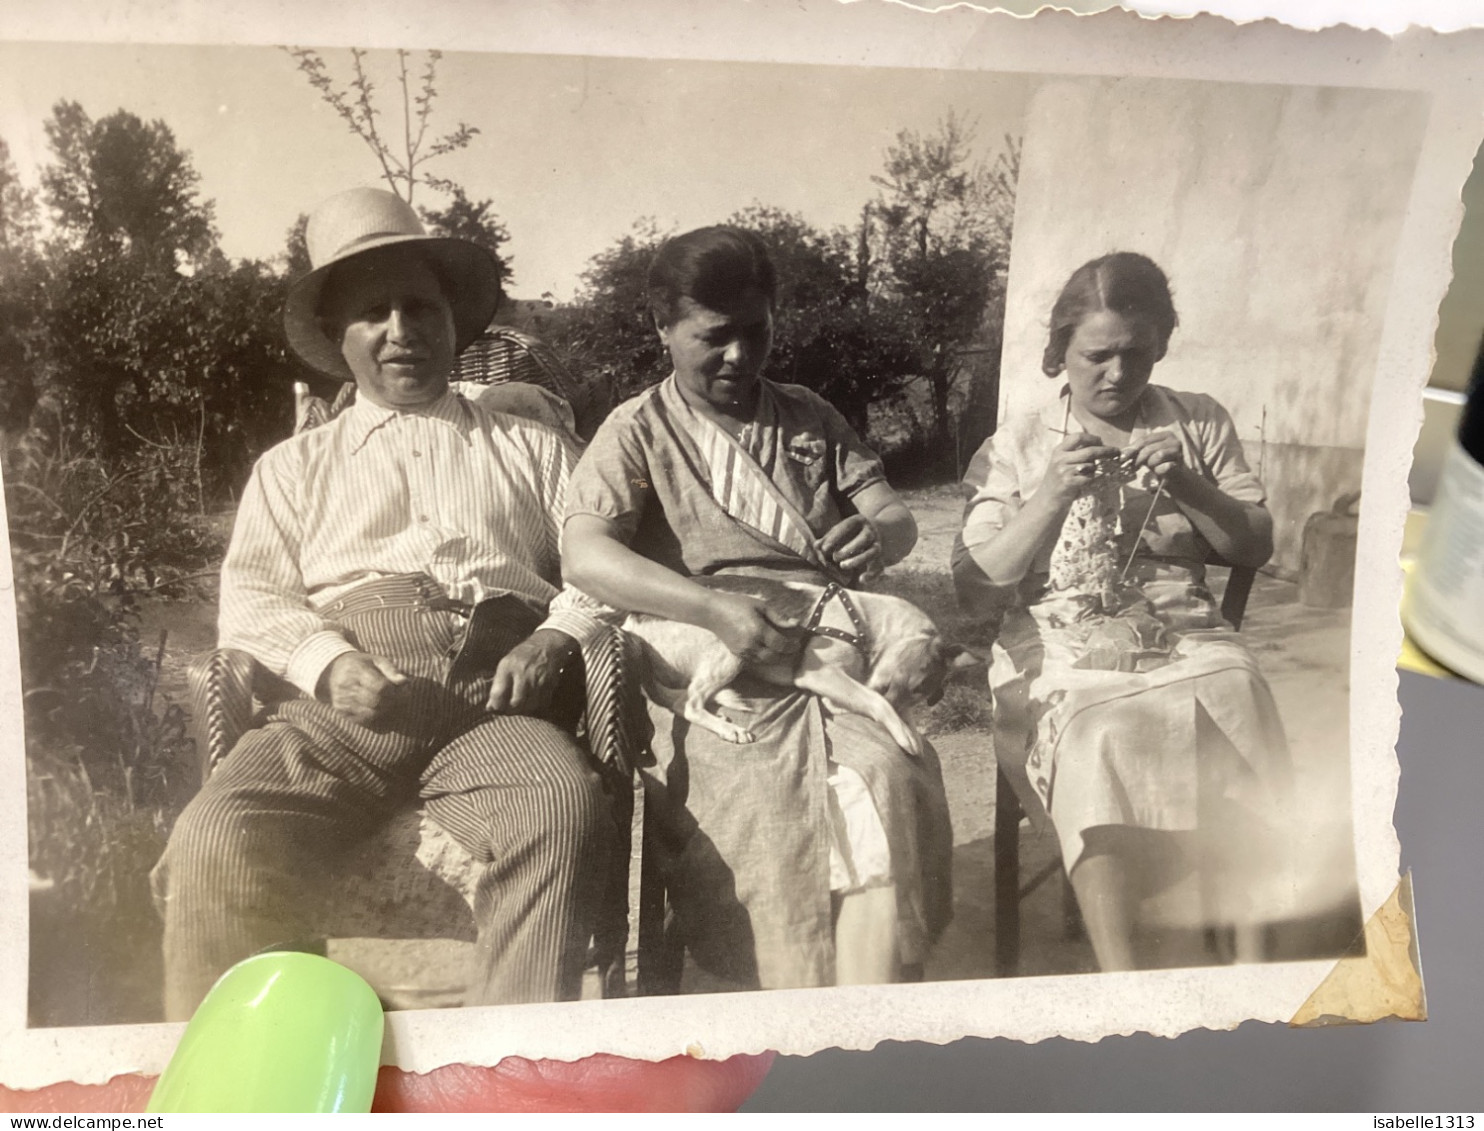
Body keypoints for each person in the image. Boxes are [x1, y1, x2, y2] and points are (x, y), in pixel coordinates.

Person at [153, 186, 617, 1018]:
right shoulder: (294, 467)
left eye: (420, 307)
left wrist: (557, 636)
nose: (401, 331)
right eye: (373, 313)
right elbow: (252, 595)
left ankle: (511, 1082)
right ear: (337, 338)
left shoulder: (534, 450)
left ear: (454, 320)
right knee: (214, 839)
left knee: (560, 802)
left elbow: (600, 567)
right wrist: (325, 664)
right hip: (339, 713)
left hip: (492, 704)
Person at [560, 226, 953, 990]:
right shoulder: (635, 431)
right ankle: (793, 1005)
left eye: (757, 332)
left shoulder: (807, 415)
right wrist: (711, 608)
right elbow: (587, 555)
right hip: (718, 675)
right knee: (776, 814)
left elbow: (895, 517)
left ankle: (861, 1025)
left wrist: (873, 534)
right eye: (714, 337)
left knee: (883, 775)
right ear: (662, 328)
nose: (740, 356)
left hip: (828, 648)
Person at [952, 252, 1293, 971]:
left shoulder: (1194, 419)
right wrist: (1048, 495)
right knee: (1095, 728)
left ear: (1161, 344)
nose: (1116, 373)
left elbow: (1254, 548)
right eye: (1096, 355)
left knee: (1240, 690)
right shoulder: (1015, 443)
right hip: (1060, 636)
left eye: (1135, 353)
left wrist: (1193, 487)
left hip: (1185, 630)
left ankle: (1255, 969)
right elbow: (979, 587)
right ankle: (1122, 977)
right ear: (1060, 353)